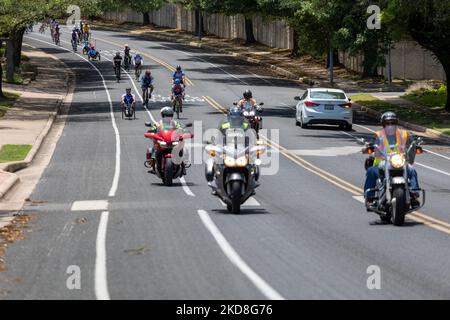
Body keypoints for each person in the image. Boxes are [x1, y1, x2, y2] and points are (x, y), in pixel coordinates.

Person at [363, 111, 420, 207]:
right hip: (382, 163)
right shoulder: (378, 134)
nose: (390, 125)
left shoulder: (404, 134)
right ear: (383, 124)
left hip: (399, 162)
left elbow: (412, 144)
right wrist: (369, 148)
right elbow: (372, 143)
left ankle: (414, 194)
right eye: (388, 123)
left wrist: (416, 146)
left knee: (412, 170)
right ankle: (370, 197)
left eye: (392, 123)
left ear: (396, 123)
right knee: (371, 171)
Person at [146, 107, 184, 173]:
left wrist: (182, 132)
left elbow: (180, 129)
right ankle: (152, 166)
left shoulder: (175, 123)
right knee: (152, 150)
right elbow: (152, 129)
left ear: (172, 115)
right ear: (162, 115)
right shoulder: (158, 124)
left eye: (169, 115)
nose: (168, 117)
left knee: (180, 149)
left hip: (172, 140)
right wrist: (151, 132)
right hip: (161, 140)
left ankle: (183, 166)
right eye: (166, 115)